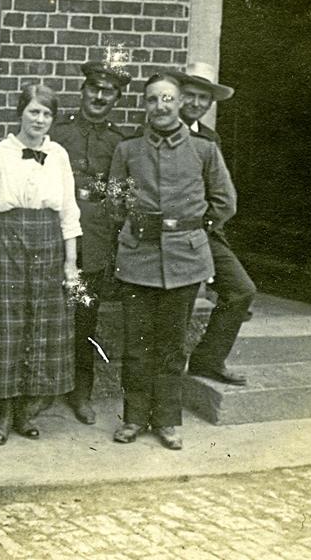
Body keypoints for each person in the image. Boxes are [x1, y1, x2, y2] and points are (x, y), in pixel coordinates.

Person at [109, 73, 236, 450]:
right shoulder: (128, 150)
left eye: (167, 99)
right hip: (138, 258)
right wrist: (135, 229)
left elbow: (225, 201)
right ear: (144, 105)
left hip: (185, 259)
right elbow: (115, 202)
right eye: (152, 100)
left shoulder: (203, 149)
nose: (160, 107)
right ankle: (133, 418)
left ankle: (166, 420)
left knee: (172, 344)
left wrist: (195, 230)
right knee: (136, 346)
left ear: (180, 103)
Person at [0, 83, 81, 445]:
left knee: (39, 327)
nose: (40, 120)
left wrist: (71, 262)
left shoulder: (59, 155)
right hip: (7, 243)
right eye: (34, 111)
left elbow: (69, 212)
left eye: (47, 114)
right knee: (7, 328)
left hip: (48, 244)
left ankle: (26, 413)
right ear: (20, 113)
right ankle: (1, 414)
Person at [48, 59, 131, 425]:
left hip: (94, 236)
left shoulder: (119, 141)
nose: (99, 97)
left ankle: (81, 392)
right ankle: (44, 388)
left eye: (108, 92)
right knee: (48, 313)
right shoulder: (58, 132)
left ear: (116, 99)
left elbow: (120, 195)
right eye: (94, 89)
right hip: (53, 233)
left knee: (85, 317)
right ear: (82, 91)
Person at [177, 63, 256, 386]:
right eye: (190, 96)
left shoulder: (210, 138)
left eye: (203, 99)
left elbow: (220, 193)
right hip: (167, 234)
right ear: (178, 97)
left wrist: (207, 227)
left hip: (205, 232)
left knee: (241, 291)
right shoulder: (153, 132)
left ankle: (208, 360)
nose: (196, 104)